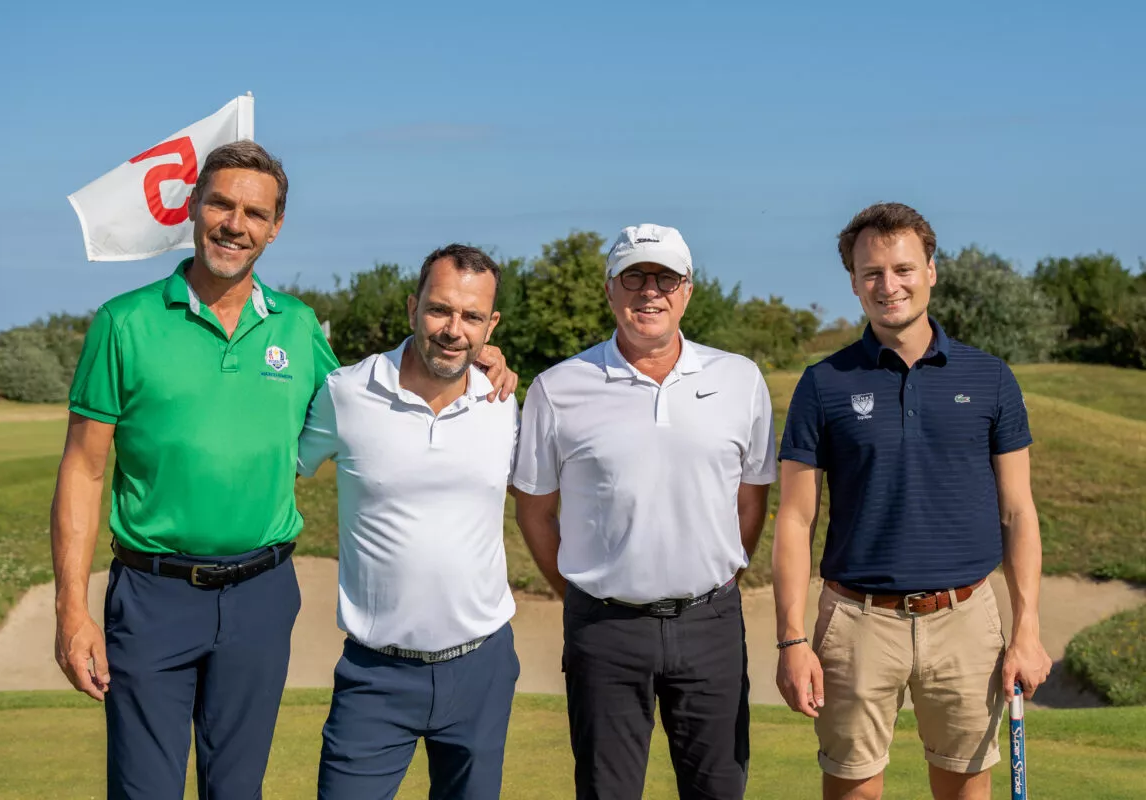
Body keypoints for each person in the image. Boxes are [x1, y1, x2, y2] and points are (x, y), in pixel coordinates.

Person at [50, 143, 516, 799]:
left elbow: (382, 392)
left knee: (238, 790)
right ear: (194, 206)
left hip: (260, 598)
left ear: (275, 227)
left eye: (254, 213)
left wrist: (480, 359)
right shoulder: (122, 323)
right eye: (221, 204)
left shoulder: (298, 329)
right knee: (142, 789)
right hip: (152, 594)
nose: (235, 224)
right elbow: (83, 470)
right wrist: (72, 609)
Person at [772, 202, 1052, 800]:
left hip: (966, 619)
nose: (888, 285)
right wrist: (793, 640)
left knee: (964, 789)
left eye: (902, 269)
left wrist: (1026, 629)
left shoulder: (990, 378)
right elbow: (795, 519)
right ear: (853, 282)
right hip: (855, 621)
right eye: (871, 273)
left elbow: (1018, 512)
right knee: (852, 790)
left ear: (931, 270)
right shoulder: (823, 383)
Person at [513, 224, 776, 800]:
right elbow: (534, 511)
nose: (649, 291)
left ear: (688, 290)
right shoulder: (559, 387)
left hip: (711, 626)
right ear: (610, 289)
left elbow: (751, 498)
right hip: (605, 630)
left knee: (719, 789)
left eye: (666, 278)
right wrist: (580, 593)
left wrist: (726, 571)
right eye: (634, 276)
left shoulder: (740, 379)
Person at [298, 244, 519, 800]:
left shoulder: (503, 401)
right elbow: (279, 469)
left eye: (471, 317)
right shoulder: (346, 393)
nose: (453, 329)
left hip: (482, 670)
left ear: (490, 326)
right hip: (376, 676)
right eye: (440, 310)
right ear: (411, 308)